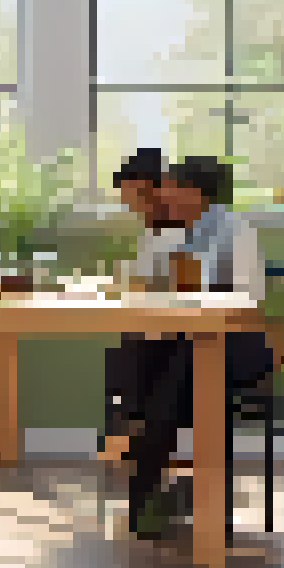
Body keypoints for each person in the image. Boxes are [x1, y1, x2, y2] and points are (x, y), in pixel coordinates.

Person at [117, 155, 271, 539]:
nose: (161, 192)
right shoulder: (162, 233)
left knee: (184, 363)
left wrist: (198, 298)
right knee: (142, 352)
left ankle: (150, 496)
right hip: (180, 342)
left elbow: (250, 299)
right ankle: (170, 495)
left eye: (169, 186)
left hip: (236, 344)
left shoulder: (236, 230)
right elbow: (142, 287)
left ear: (195, 192)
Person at [101, 150, 182, 465]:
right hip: (160, 324)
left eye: (131, 195)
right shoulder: (154, 230)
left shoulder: (178, 229)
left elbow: (172, 284)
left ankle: (131, 446)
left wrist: (130, 286)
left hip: (185, 330)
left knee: (131, 353)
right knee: (126, 350)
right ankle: (129, 445)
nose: (128, 205)